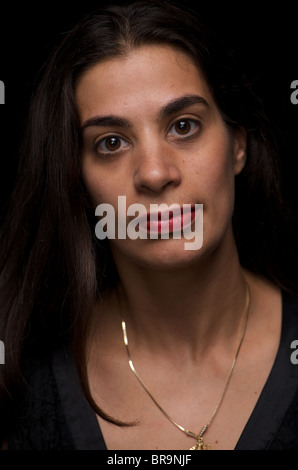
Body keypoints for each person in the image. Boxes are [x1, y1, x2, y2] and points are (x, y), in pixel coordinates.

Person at [0, 0, 298, 451]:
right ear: (76, 183)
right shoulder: (25, 385)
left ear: (238, 145)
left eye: (183, 125)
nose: (155, 174)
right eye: (111, 143)